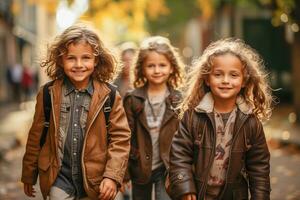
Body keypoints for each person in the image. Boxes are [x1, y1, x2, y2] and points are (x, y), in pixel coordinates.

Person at [21, 23, 131, 200]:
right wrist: (28, 173)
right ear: (60, 60)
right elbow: (36, 136)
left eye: (86, 58)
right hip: (59, 178)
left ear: (96, 60)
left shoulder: (109, 95)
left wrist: (112, 176)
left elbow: (121, 139)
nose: (79, 65)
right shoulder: (48, 94)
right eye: (71, 58)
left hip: (99, 180)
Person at [168, 38, 272, 200]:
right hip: (199, 194)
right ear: (207, 79)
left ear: (244, 80)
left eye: (233, 75)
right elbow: (179, 155)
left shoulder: (251, 122)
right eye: (218, 74)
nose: (225, 80)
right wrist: (185, 187)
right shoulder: (192, 117)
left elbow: (259, 167)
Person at [123, 36, 185, 200]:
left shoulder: (179, 99)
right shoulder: (132, 99)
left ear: (172, 67)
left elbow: (185, 138)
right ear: (142, 68)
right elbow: (125, 136)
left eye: (162, 65)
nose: (157, 70)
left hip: (167, 167)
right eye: (151, 66)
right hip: (140, 166)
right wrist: (124, 173)